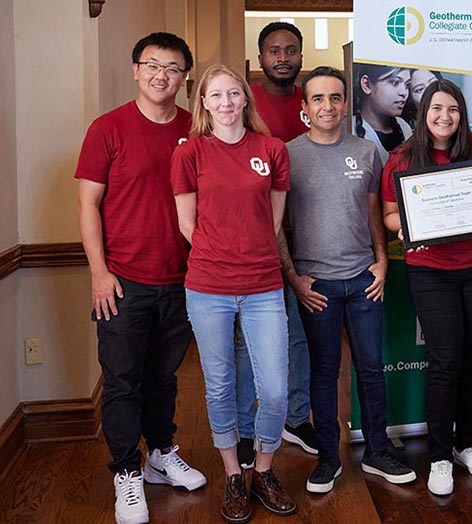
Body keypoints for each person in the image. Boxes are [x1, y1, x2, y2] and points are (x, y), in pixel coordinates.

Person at [75, 32, 206, 524]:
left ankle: (161, 454)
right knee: (123, 381)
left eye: (173, 68)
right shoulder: (107, 128)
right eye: (152, 65)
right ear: (135, 70)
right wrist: (99, 272)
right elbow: (88, 203)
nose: (161, 75)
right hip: (122, 281)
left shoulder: (197, 130)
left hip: (183, 278)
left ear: (184, 78)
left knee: (163, 377)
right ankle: (126, 473)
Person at [279, 66, 416, 494]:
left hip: (363, 280)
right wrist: (295, 278)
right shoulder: (287, 154)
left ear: (346, 103)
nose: (327, 106)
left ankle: (377, 452)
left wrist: (382, 262)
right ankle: (326, 459)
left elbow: (374, 212)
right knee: (323, 373)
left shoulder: (368, 152)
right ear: (304, 107)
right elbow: (276, 226)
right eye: (318, 99)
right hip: (315, 285)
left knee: (371, 369)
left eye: (335, 98)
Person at [171, 64, 296, 522]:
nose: (225, 103)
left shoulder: (272, 149)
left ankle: (263, 469)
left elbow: (274, 219)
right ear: (202, 103)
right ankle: (233, 476)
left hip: (264, 286)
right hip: (208, 288)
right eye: (215, 95)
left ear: (246, 99)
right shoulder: (189, 154)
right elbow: (188, 224)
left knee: (276, 390)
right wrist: (221, 255)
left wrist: (249, 253)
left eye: (233, 94)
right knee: (220, 385)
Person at [381, 80, 472, 496]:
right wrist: (404, 227)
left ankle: (466, 445)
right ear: (424, 112)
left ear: (462, 113)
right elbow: (388, 213)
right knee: (444, 361)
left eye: (453, 109)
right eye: (437, 108)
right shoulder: (402, 158)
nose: (445, 116)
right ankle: (440, 457)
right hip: (431, 270)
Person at [242, 20, 318, 464]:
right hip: (260, 241)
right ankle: (253, 424)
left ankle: (297, 416)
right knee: (257, 338)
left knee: (303, 336)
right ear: (261, 58)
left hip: (311, 234)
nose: (283, 57)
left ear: (301, 57)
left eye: (291, 50)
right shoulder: (247, 105)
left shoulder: (315, 102)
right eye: (274, 51)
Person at [353, 64, 412, 163]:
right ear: (367, 85)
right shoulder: (350, 129)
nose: (404, 92)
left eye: (407, 85)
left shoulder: (404, 127)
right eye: (395, 82)